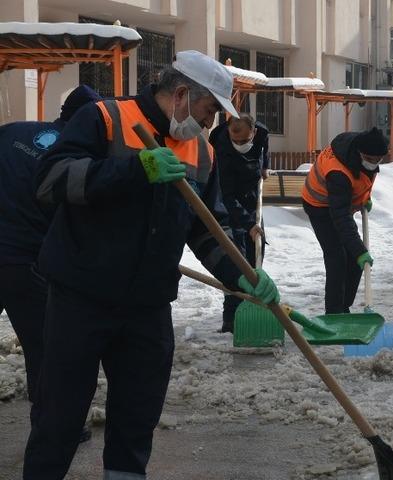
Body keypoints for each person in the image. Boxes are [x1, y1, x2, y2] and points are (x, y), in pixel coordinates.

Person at [24, 51, 280, 479]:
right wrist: (132, 169)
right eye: (209, 109)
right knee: (60, 418)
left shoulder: (200, 150)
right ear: (181, 94)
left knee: (136, 419)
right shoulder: (104, 118)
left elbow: (206, 228)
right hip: (80, 299)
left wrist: (242, 274)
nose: (210, 122)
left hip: (147, 304)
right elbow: (51, 181)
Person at [0, 85, 101, 444]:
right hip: (21, 261)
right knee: (46, 346)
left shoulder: (12, 132)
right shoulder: (72, 157)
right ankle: (56, 427)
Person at [302, 127, 388, 314]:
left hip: (339, 201)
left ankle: (344, 306)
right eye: (369, 159)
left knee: (354, 258)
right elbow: (341, 217)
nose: (373, 163)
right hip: (318, 205)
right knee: (337, 257)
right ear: (359, 152)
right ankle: (334, 312)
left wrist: (363, 197)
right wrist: (359, 251)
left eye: (377, 160)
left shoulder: (362, 149)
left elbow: (362, 176)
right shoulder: (338, 173)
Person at [209, 113, 270, 333]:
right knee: (236, 260)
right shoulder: (222, 150)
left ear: (253, 132)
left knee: (257, 255)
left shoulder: (261, 134)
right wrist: (247, 224)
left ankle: (253, 307)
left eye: (244, 141)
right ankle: (231, 319)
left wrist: (265, 167)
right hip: (231, 206)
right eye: (236, 141)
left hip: (253, 199)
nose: (240, 145)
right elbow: (227, 196)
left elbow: (264, 145)